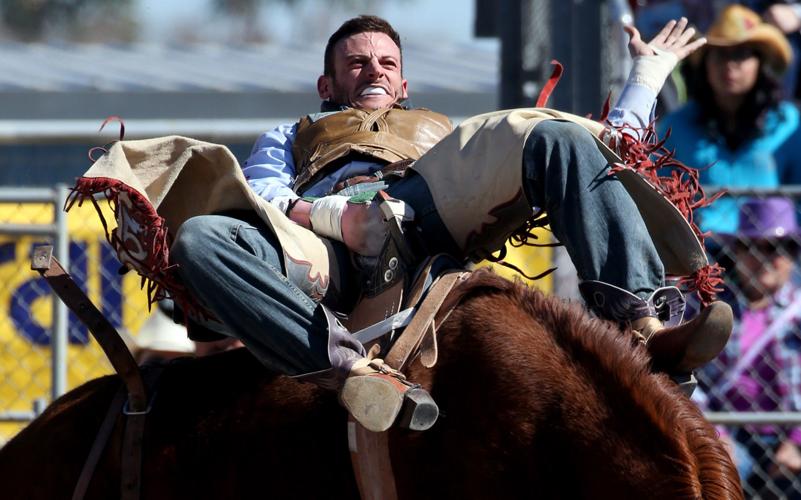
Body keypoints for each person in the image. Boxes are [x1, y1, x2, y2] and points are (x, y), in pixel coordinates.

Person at [158, 15, 734, 433]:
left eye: (386, 63)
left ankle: (639, 326)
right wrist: (337, 218)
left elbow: (605, 147)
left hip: (424, 209)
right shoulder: (290, 135)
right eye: (355, 63)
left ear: (404, 86)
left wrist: (648, 76)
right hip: (323, 249)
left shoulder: (441, 134)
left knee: (555, 135)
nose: (373, 72)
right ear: (327, 85)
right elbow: (261, 196)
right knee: (201, 238)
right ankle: (350, 371)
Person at [658, 4, 801, 238]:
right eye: (720, 54)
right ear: (705, 64)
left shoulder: (789, 123)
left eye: (740, 54)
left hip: (771, 256)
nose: (729, 65)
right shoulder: (677, 125)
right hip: (703, 258)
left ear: (761, 63)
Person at [692, 197, 801, 498]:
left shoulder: (798, 311)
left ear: (793, 255)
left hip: (789, 433)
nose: (765, 258)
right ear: (737, 251)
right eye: (754, 247)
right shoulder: (710, 307)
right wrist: (715, 435)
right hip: (726, 430)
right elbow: (687, 377)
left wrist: (796, 441)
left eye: (779, 248)